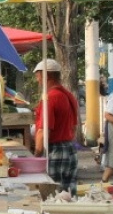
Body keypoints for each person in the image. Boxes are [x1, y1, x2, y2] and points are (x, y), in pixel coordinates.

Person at [33, 59, 79, 194]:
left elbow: (43, 131)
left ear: (46, 76)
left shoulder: (50, 97)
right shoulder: (68, 95)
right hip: (70, 148)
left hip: (55, 150)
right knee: (69, 194)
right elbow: (74, 127)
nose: (37, 80)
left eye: (38, 76)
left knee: (53, 194)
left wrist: (37, 155)